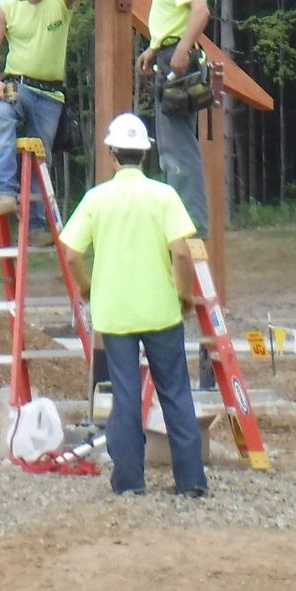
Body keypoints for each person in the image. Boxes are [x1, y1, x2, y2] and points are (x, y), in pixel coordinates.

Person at [59, 113, 208, 498]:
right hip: (160, 310)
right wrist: (183, 293)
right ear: (145, 154)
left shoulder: (96, 199)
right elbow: (181, 250)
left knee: (125, 395)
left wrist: (89, 289)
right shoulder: (164, 196)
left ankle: (128, 480)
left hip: (115, 313)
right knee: (175, 391)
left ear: (111, 153)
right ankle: (191, 479)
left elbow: (72, 253)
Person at [0, 0, 72, 224]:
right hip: (18, 87)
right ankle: (6, 192)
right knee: (1, 114)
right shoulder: (6, 8)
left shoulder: (61, 0)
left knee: (38, 155)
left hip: (50, 94)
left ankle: (37, 224)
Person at [134, 0, 210, 235]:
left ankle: (190, 222)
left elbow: (200, 11)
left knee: (178, 147)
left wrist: (179, 50)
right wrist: (154, 48)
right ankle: (181, 219)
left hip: (177, 62)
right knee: (169, 145)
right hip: (167, 56)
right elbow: (177, 19)